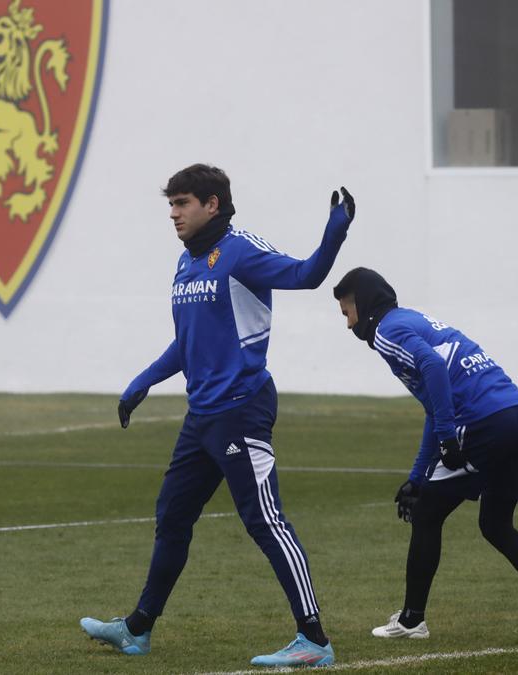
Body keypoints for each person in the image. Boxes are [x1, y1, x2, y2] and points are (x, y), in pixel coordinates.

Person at [79, 164, 352, 669]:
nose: (174, 214)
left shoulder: (242, 251)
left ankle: (314, 639)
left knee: (265, 521)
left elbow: (306, 275)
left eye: (182, 204)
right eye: (171, 205)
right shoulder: (186, 264)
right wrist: (143, 381)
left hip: (241, 409)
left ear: (212, 204)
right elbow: (188, 343)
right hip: (201, 416)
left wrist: (333, 236)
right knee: (172, 518)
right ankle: (137, 630)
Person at [332, 268, 518, 644]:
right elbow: (436, 402)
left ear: (362, 303)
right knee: (496, 525)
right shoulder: (413, 320)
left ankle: (412, 620)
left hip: (485, 422)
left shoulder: (385, 331)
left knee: (427, 514)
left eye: (346, 308)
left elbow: (432, 369)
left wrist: (447, 440)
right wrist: (417, 475)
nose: (346, 321)